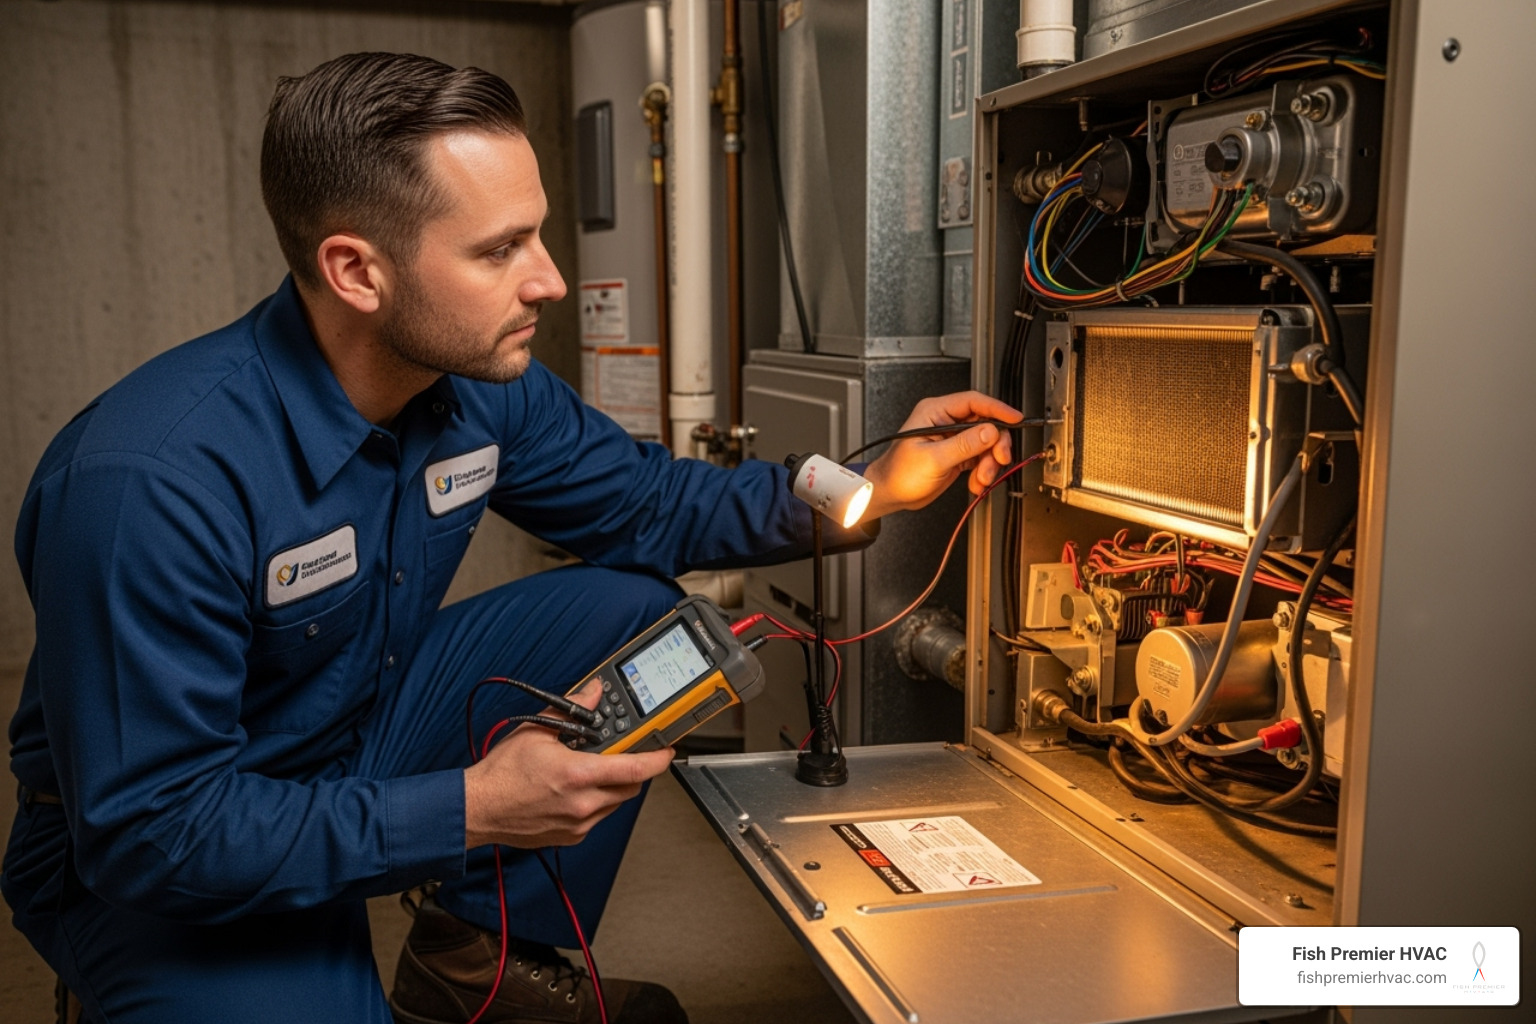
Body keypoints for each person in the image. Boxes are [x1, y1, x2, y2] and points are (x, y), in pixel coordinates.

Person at [2, 52, 1020, 1024]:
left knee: (633, 615)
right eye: (499, 250)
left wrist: (872, 486)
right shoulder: (153, 483)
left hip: (348, 734)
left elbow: (651, 506)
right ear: (358, 271)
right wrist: (471, 810)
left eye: (536, 236)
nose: (550, 282)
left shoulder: (479, 390)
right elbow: (154, 831)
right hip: (151, 849)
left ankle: (473, 965)